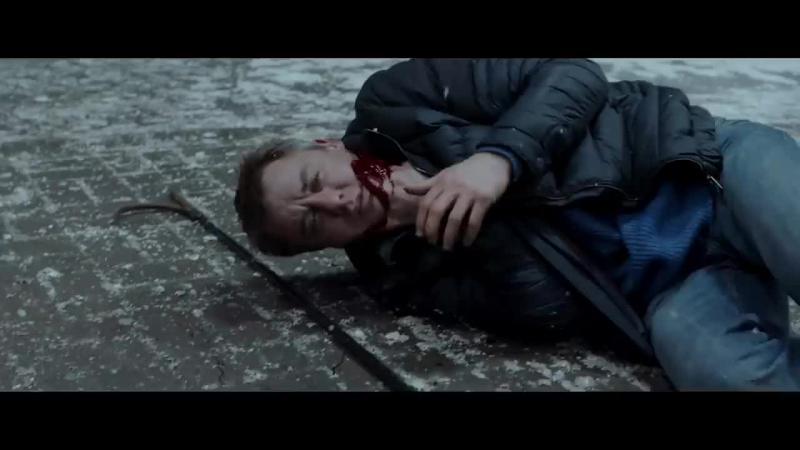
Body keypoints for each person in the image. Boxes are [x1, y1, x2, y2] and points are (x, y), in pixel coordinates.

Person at [234, 59, 800, 390]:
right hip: (672, 287)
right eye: (314, 224)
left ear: (327, 145)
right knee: (727, 377)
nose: (334, 200)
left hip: (708, 170)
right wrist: (455, 217)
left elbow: (572, 74)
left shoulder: (395, 102)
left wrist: (495, 161)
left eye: (314, 180)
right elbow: (549, 310)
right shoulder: (400, 272)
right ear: (328, 246)